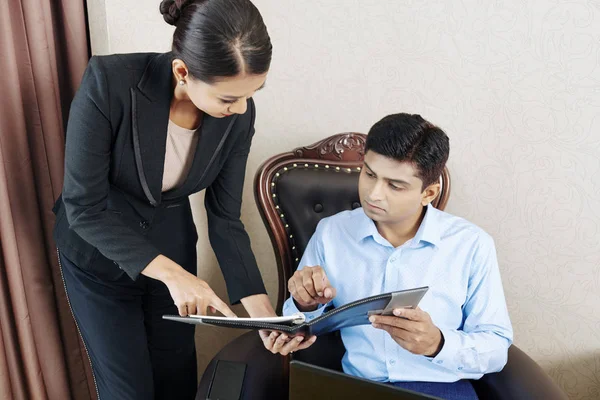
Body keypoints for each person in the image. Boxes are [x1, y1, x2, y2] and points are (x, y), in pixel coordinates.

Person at [52, 1, 275, 399]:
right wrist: (174, 275)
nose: (241, 108)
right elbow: (83, 206)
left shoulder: (240, 114)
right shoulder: (110, 82)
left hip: (172, 245)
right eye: (228, 98)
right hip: (98, 256)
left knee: (176, 380)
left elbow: (224, 217)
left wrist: (260, 311)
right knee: (129, 392)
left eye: (252, 93)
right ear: (182, 72)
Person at [263, 113, 513, 400]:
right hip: (355, 388)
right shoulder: (331, 232)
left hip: (443, 390)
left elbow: (496, 349)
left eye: (395, 186)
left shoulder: (472, 245)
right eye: (369, 174)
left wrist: (437, 344)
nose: (373, 194)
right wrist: (303, 303)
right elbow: (297, 325)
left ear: (428, 193)